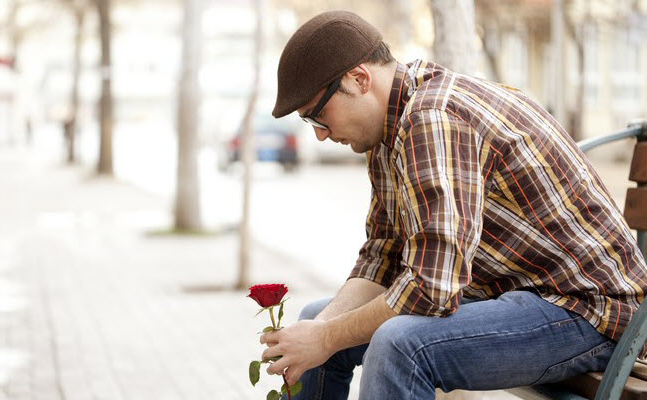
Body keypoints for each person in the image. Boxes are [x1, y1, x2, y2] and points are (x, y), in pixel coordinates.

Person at [259, 10, 647, 400]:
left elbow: (432, 290)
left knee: (400, 346)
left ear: (359, 79)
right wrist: (319, 333)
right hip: (514, 297)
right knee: (316, 318)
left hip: (590, 313)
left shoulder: (434, 119)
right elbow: (382, 256)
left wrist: (327, 337)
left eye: (319, 116)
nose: (322, 136)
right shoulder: (386, 131)